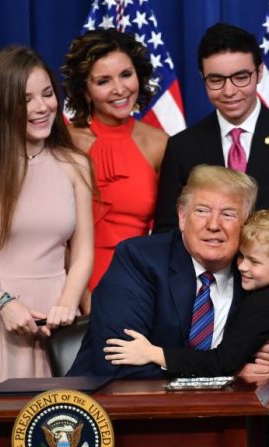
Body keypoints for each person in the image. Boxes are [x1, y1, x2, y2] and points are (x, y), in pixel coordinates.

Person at [70, 165, 269, 446]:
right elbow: (119, 364)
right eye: (202, 211)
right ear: (182, 217)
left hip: (242, 424)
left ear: (246, 224)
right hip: (138, 421)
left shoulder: (263, 273)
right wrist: (229, 378)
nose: (214, 224)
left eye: (228, 214)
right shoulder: (139, 259)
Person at [0, 46, 94, 384]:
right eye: (26, 99)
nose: (42, 107)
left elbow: (82, 252)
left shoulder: (76, 165)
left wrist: (67, 304)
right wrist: (2, 302)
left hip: (58, 323)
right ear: (1, 106)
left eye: (48, 94)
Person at [152, 22, 269, 275]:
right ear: (202, 78)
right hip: (200, 293)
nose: (229, 91)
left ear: (259, 73)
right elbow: (169, 231)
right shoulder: (183, 146)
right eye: (216, 80)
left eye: (241, 77)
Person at [61, 29, 168, 308]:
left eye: (126, 75)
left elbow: (168, 235)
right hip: (66, 290)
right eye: (103, 81)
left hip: (139, 287)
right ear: (85, 90)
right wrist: (82, 298)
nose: (119, 89)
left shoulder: (160, 143)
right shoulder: (65, 142)